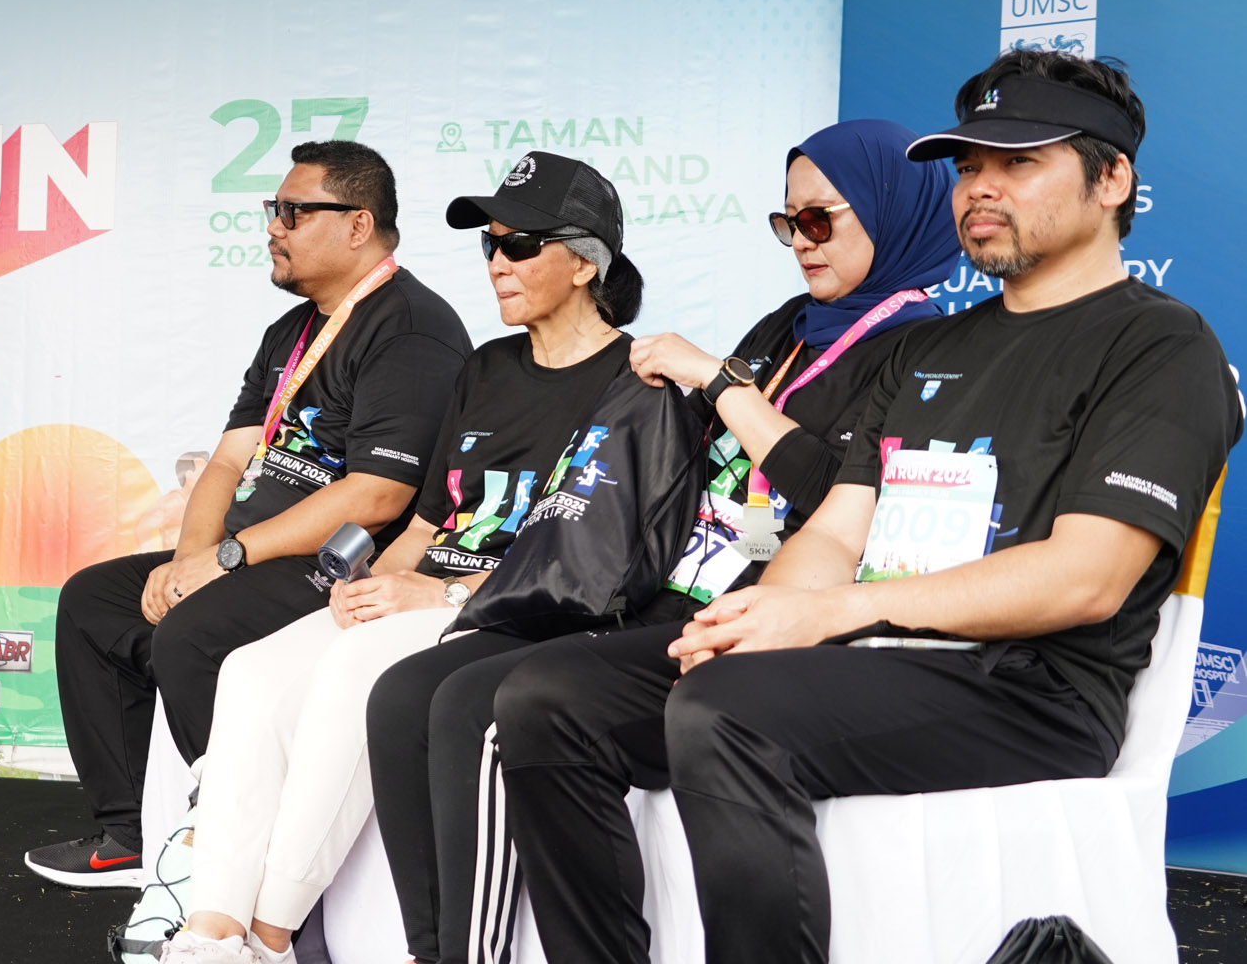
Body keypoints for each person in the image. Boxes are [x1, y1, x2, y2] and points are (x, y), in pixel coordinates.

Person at [528, 50, 1238, 964]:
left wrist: (839, 612)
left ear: (1112, 181)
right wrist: (763, 615)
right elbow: (837, 528)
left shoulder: (1162, 346)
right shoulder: (926, 347)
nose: (981, 188)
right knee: (550, 696)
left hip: (1032, 689)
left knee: (725, 711)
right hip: (872, 657)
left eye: (1019, 162)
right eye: (969, 166)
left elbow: (1086, 579)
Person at [157, 152, 697, 964]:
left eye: (520, 246)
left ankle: (271, 934)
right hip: (420, 592)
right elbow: (428, 521)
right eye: (490, 244)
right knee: (251, 671)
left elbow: (606, 566)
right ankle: (213, 928)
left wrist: (441, 596)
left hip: (505, 612)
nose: (497, 263)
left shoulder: (642, 385)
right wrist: (372, 583)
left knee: (355, 669)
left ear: (586, 264)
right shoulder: (485, 367)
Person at [484, 117, 960, 964]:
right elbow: (719, 467)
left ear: (892, 211)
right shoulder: (789, 324)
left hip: (797, 615)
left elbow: (841, 498)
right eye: (787, 222)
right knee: (510, 691)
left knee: (518, 696)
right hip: (693, 584)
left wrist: (717, 379)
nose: (800, 242)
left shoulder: (925, 348)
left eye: (820, 219)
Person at [25, 140, 471, 887]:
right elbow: (229, 461)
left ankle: (234, 839)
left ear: (358, 224)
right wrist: (186, 562)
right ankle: (131, 834)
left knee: (193, 635)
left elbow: (378, 495)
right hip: (250, 551)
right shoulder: (289, 333)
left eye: (293, 212)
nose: (273, 227)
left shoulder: (412, 329)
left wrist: (227, 560)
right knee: (95, 603)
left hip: (339, 564)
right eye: (274, 209)